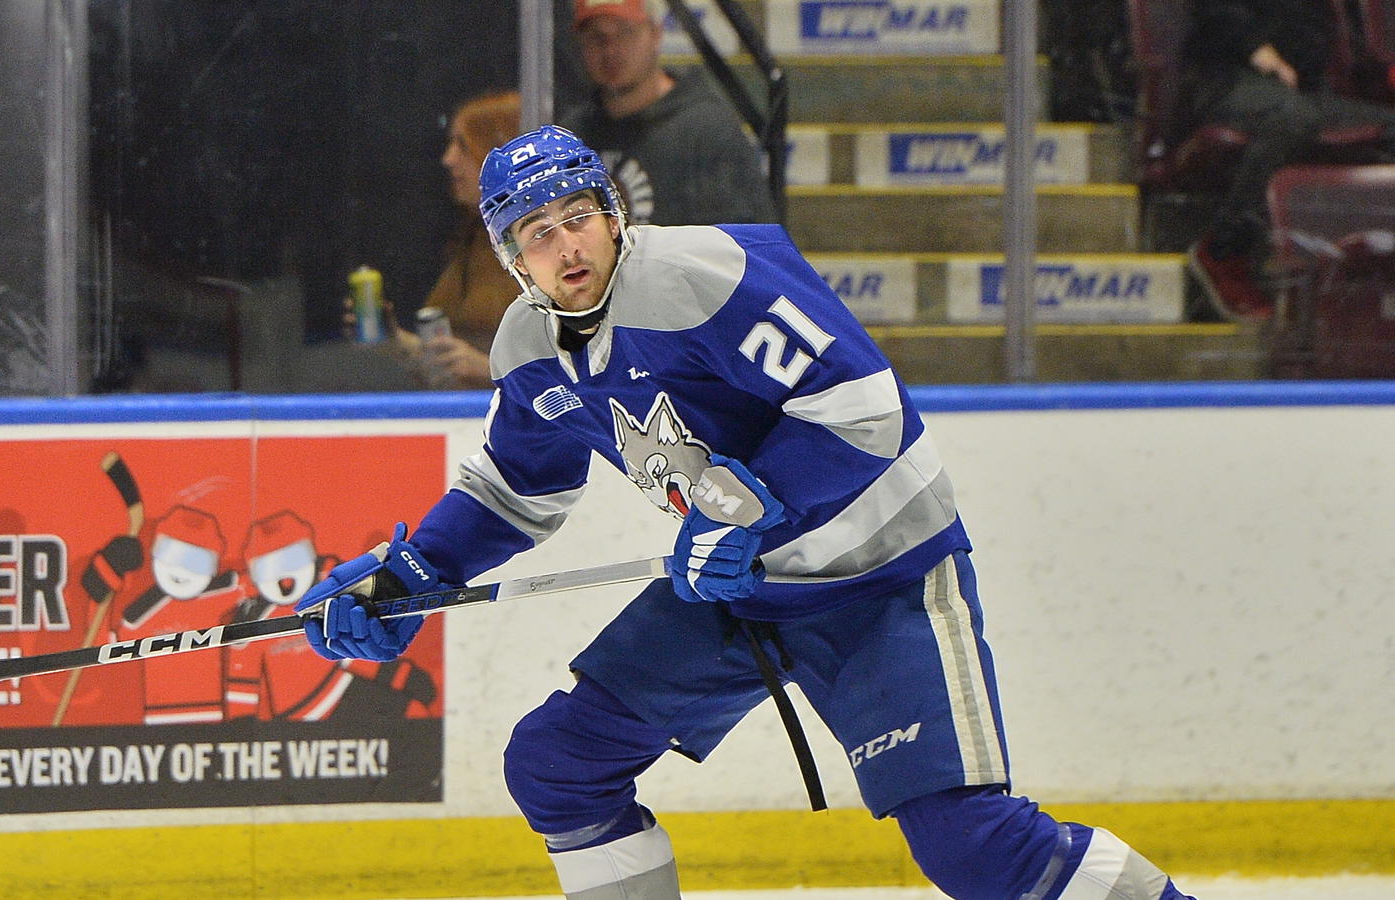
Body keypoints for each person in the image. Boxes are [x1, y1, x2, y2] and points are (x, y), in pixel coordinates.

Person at [293, 126, 1197, 900]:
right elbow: (514, 490)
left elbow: (865, 406)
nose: (568, 246)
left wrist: (751, 514)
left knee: (969, 844)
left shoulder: (706, 278)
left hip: (879, 578)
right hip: (738, 590)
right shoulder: (529, 349)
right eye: (538, 233)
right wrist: (412, 574)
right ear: (510, 257)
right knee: (558, 767)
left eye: (579, 217)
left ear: (612, 215)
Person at [1181, 0, 1395, 320]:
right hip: (1229, 81)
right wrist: (1256, 47)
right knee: (1294, 117)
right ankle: (1223, 250)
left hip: (1300, 91)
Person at [352, 91, 524, 389]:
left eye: (464, 145)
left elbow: (571, 368)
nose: (448, 159)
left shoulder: (539, 247)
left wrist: (489, 371)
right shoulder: (474, 240)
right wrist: (395, 340)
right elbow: (451, 357)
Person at [558, 0, 777, 226]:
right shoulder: (569, 138)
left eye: (626, 32)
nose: (611, 49)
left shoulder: (706, 132)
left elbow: (746, 248)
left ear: (656, 34)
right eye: (596, 37)